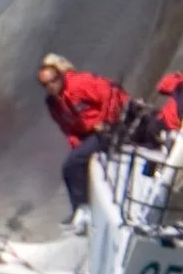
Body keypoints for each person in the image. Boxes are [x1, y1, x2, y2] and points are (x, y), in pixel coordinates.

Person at [39, 53, 128, 222]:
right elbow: (68, 129)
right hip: (91, 134)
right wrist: (78, 146)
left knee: (70, 166)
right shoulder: (53, 104)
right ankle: (86, 207)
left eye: (54, 80)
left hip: (113, 126)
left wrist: (106, 121)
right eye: (46, 84)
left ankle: (83, 208)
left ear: (60, 76)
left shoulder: (79, 83)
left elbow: (110, 91)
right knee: (77, 162)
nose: (51, 86)